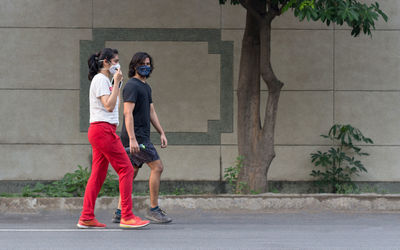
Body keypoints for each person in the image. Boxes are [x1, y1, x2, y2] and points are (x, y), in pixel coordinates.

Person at [77, 48, 150, 229]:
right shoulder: (101, 80)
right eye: (115, 61)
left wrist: (116, 83)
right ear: (106, 63)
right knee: (126, 169)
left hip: (101, 130)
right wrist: (117, 83)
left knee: (98, 174)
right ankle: (127, 216)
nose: (118, 65)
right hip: (103, 131)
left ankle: (86, 217)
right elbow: (109, 106)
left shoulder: (105, 80)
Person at [112, 52, 172, 224]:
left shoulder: (146, 87)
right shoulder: (132, 86)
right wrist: (132, 139)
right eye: (142, 63)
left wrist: (161, 132)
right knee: (157, 167)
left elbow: (151, 111)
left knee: (131, 172)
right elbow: (127, 113)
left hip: (141, 136)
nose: (146, 66)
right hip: (136, 138)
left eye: (148, 63)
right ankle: (153, 209)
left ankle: (119, 211)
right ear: (134, 66)